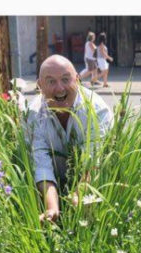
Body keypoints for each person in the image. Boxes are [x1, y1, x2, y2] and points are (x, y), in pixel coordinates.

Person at [27, 55, 113, 222]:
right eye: (51, 81)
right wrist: (51, 208)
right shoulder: (33, 113)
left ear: (78, 80)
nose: (60, 89)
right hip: (53, 185)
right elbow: (41, 164)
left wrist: (80, 193)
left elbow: (95, 160)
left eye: (66, 79)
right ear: (39, 86)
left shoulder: (97, 110)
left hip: (92, 190)